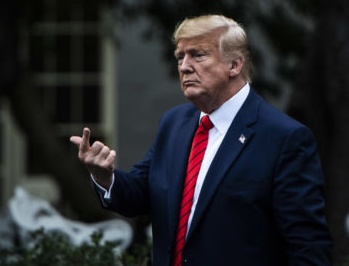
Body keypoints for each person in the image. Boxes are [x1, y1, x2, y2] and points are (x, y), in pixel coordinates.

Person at [70, 15, 332, 265]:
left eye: (198, 55)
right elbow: (141, 193)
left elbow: (308, 245)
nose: (184, 66)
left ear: (235, 65)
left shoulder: (284, 137)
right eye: (180, 56)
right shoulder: (174, 124)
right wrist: (105, 177)